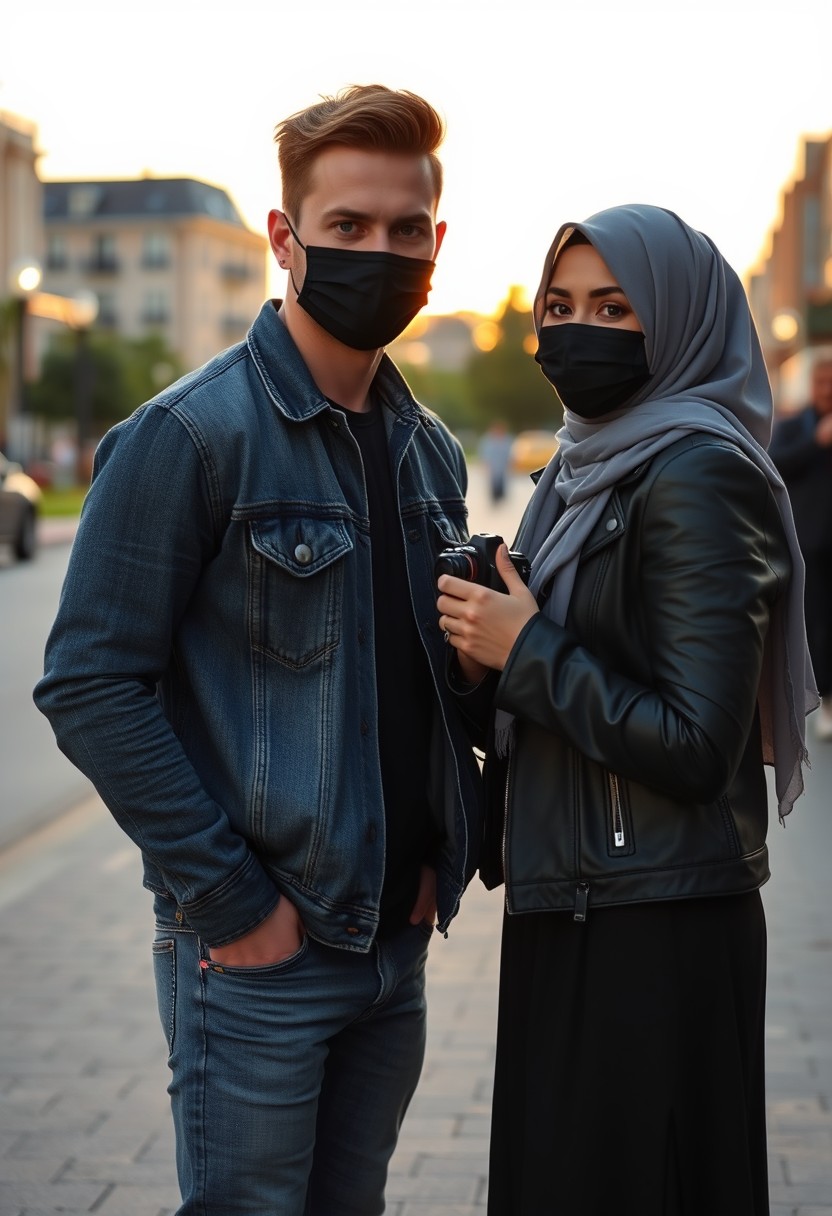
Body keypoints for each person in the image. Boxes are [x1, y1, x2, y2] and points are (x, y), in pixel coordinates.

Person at [34, 84, 483, 1216]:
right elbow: (89, 683)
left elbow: (412, 681)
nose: (377, 252)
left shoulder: (427, 450)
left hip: (393, 954)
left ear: (436, 243)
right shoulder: (188, 437)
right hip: (260, 958)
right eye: (345, 228)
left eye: (402, 231)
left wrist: (442, 845)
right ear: (285, 239)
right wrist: (233, 901)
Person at [437, 204, 818, 1215]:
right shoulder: (573, 472)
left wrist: (527, 650)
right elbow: (557, 707)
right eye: (557, 305)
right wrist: (485, 659)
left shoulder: (698, 472)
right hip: (579, 899)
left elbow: (697, 743)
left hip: (656, 926)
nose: (575, 329)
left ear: (680, 320)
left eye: (614, 306)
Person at [769, 355, 832, 740]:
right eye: (822, 382)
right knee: (819, 624)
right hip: (811, 545)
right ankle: (825, 698)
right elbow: (776, 466)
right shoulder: (795, 428)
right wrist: (816, 442)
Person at [478, 419, 514, 503]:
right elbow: (484, 454)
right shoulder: (488, 440)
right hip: (493, 466)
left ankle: (501, 497)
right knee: (493, 482)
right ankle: (494, 499)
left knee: (503, 482)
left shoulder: (507, 440)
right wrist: (485, 465)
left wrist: (511, 464)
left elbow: (510, 453)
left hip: (503, 466)